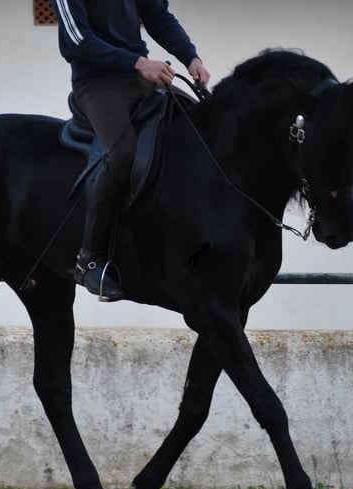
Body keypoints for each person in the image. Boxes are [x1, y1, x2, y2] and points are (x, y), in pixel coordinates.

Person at [49, 0, 210, 301]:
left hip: (141, 78)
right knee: (121, 154)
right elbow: (78, 41)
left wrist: (191, 58)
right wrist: (139, 63)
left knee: (194, 130)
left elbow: (158, 17)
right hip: (97, 83)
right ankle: (89, 260)